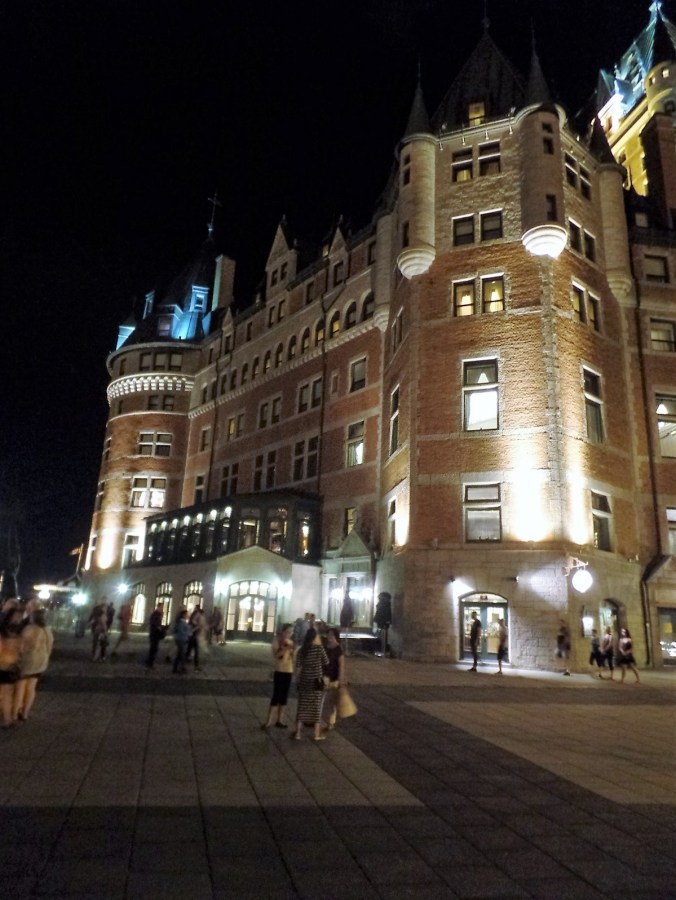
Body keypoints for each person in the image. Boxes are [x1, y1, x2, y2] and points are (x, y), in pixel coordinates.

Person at [13, 609, 54, 722]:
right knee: (31, 687)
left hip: (27, 661)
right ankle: (25, 713)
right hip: (40, 662)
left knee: (20, 687)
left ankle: (15, 713)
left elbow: (21, 647)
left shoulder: (29, 629)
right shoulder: (47, 630)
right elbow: (49, 646)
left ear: (33, 618)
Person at [292, 628, 328, 741]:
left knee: (301, 707)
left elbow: (298, 668)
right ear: (315, 637)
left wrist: (297, 680)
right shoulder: (319, 649)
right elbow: (326, 661)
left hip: (304, 681)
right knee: (316, 708)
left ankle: (298, 733)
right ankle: (316, 734)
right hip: (316, 681)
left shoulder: (301, 650)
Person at [261, 623, 294, 729]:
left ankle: (280, 720)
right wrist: (286, 648)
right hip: (279, 670)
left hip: (288, 670)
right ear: (283, 631)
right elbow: (276, 655)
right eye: (288, 631)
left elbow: (292, 656)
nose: (290, 634)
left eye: (291, 632)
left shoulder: (291, 642)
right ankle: (269, 721)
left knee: (284, 696)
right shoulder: (277, 641)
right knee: (276, 695)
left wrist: (292, 650)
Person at [0, 608, 23, 727]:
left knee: (5, 694)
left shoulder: (2, 634)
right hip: (12, 666)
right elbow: (21, 650)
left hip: (2, 666)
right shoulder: (19, 634)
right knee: (8, 695)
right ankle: (8, 718)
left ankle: (7, 719)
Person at [321, 627, 345, 729]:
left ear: (336, 636)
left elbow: (341, 666)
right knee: (320, 700)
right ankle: (317, 719)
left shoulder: (338, 650)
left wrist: (340, 679)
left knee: (332, 702)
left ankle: (330, 722)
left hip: (334, 678)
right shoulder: (325, 647)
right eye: (328, 634)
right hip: (324, 676)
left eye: (331, 635)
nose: (329, 636)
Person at [186, 606, 207, 670]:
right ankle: (193, 664)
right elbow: (194, 622)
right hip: (193, 635)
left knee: (193, 650)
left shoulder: (196, 614)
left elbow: (196, 623)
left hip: (194, 635)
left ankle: (195, 665)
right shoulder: (197, 615)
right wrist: (197, 626)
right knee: (191, 649)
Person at [145, 603, 165, 670]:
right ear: (158, 607)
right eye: (161, 607)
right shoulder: (155, 614)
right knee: (153, 649)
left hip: (155, 634)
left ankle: (149, 662)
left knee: (154, 649)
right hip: (154, 634)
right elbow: (155, 624)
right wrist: (160, 629)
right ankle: (150, 663)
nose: (162, 609)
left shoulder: (157, 614)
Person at [173, 609, 191, 674]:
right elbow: (181, 631)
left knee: (180, 654)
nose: (188, 615)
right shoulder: (181, 622)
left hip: (181, 639)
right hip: (181, 639)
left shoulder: (183, 622)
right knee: (182, 655)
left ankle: (176, 668)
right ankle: (182, 668)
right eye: (187, 614)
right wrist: (188, 633)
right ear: (184, 615)